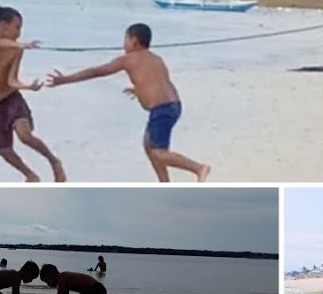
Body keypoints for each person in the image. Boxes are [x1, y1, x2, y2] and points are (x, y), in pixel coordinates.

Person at [47, 23, 209, 182]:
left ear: (134, 41)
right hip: (174, 105)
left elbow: (96, 71)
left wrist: (65, 80)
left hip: (162, 109)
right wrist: (139, 90)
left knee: (158, 152)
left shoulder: (127, 60)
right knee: (148, 145)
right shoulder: (156, 58)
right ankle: (164, 183)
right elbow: (160, 82)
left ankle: (198, 168)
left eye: (125, 39)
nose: (123, 44)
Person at [0, 7, 65, 182]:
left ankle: (54, 161)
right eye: (17, 27)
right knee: (3, 149)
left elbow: (12, 80)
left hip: (11, 99)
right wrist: (20, 44)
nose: (19, 33)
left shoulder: (17, 50)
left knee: (25, 135)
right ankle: (30, 175)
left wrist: (27, 87)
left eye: (20, 28)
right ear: (3, 26)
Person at [38, 264, 111, 294]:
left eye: (47, 281)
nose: (48, 284)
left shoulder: (62, 277)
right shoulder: (63, 279)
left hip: (96, 289)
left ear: (52, 275)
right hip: (97, 290)